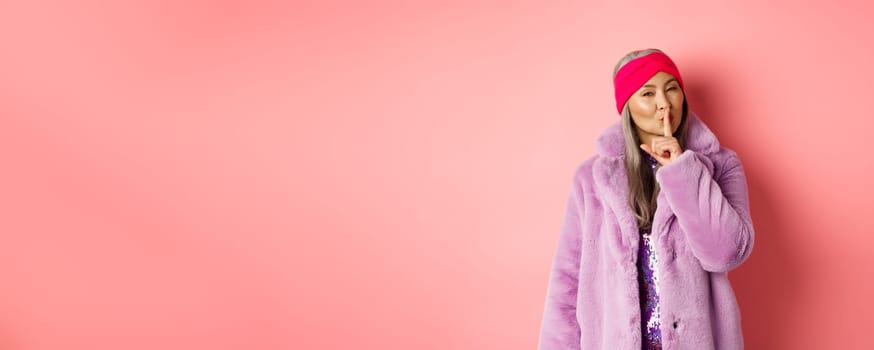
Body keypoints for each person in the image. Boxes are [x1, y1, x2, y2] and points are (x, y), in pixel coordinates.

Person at [537, 49, 755, 350]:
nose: (664, 104)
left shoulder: (720, 164)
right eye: (648, 93)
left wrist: (682, 170)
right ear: (628, 106)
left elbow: (727, 253)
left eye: (672, 89)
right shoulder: (591, 178)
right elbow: (567, 283)